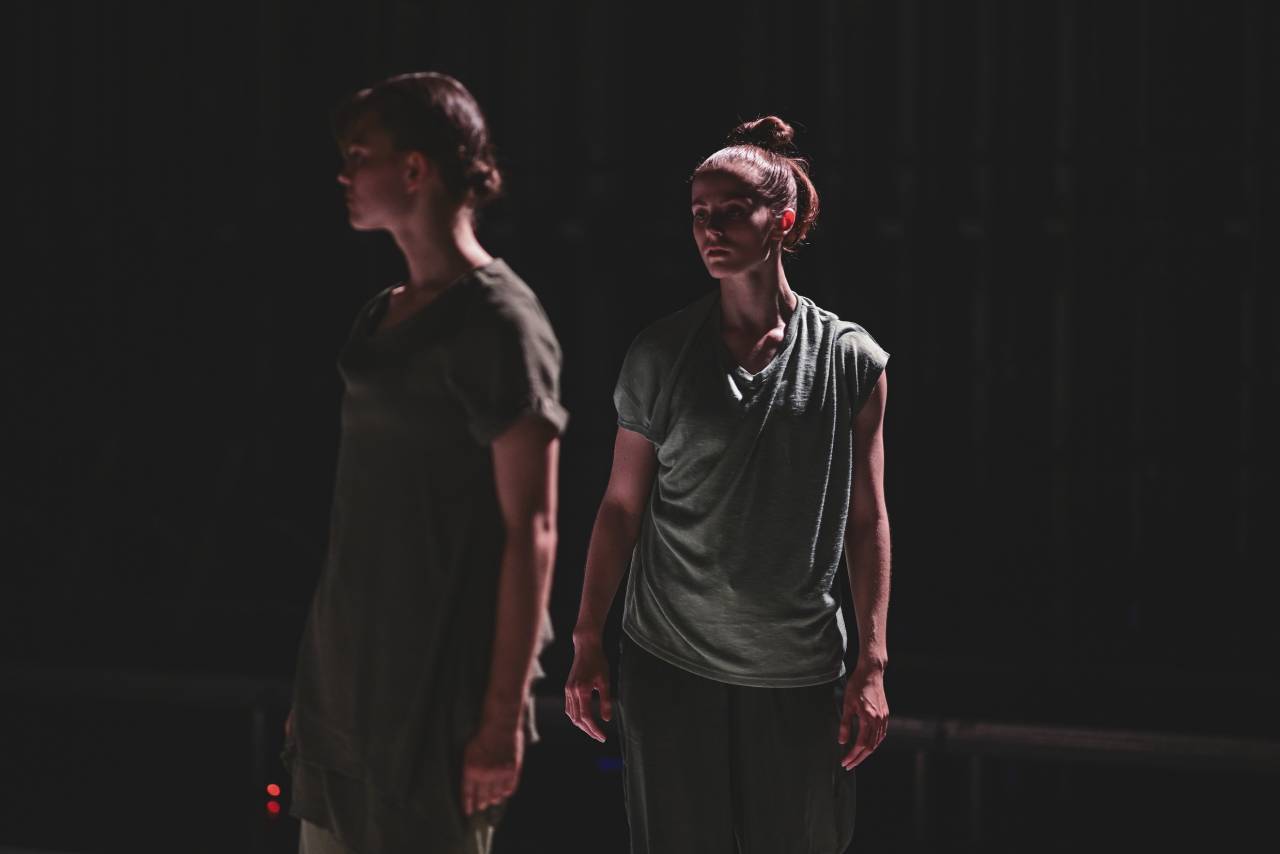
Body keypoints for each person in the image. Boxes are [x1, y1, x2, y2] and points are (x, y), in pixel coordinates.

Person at [565, 116, 891, 853]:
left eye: (729, 210)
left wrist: (871, 662)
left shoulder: (849, 360)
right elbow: (620, 508)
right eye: (697, 214)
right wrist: (588, 637)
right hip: (671, 664)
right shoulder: (660, 354)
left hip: (797, 671)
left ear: (782, 220)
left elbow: (868, 520)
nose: (709, 228)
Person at [284, 72, 568, 854]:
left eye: (358, 154)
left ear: (415, 169)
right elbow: (358, 517)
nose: (344, 174)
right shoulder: (382, 312)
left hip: (436, 689)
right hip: (347, 679)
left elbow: (533, 531)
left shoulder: (501, 323)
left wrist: (503, 716)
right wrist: (317, 686)